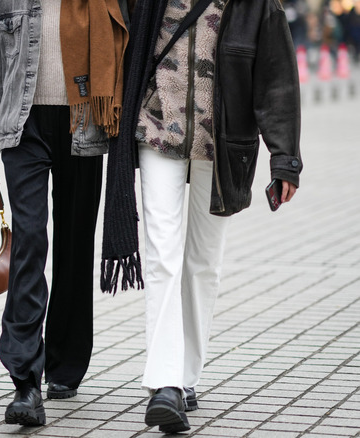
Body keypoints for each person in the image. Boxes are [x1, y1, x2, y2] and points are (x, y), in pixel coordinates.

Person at [109, 0, 304, 432]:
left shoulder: (256, 5)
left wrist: (284, 157)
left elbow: (276, 78)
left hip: (222, 144)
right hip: (156, 128)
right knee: (162, 254)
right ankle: (165, 383)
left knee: (202, 263)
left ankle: (186, 374)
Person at [0, 0, 131, 426]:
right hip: (22, 126)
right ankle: (25, 378)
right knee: (29, 240)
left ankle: (65, 364)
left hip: (83, 123)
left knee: (75, 244)